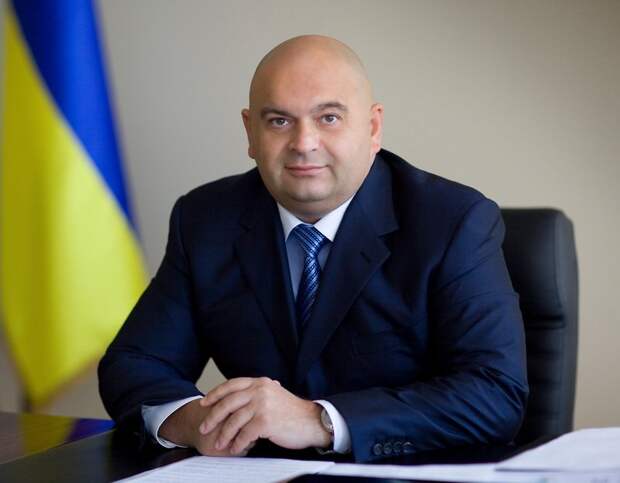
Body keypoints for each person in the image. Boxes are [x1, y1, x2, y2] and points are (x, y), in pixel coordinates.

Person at [98, 35, 528, 463]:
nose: (304, 143)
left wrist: (320, 420)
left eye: (329, 118)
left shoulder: (452, 222)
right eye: (279, 121)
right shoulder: (206, 219)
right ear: (250, 132)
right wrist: (196, 421)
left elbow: (494, 393)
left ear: (373, 127)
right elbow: (133, 363)